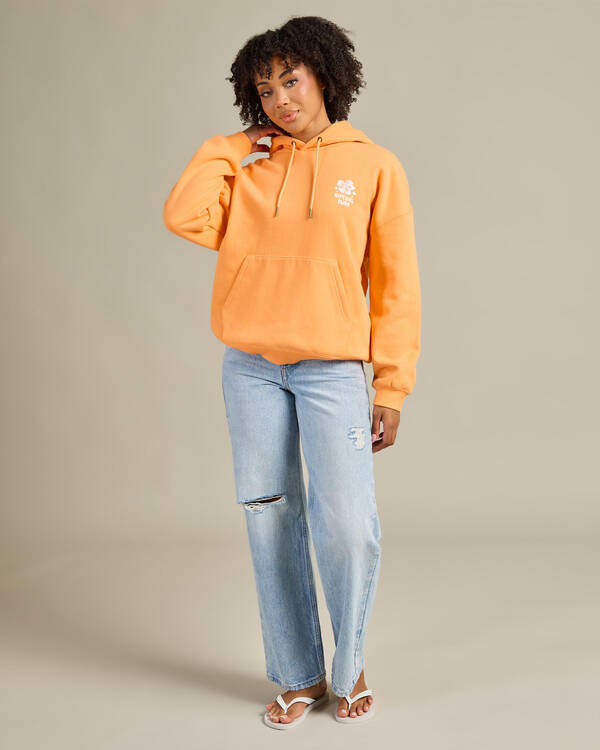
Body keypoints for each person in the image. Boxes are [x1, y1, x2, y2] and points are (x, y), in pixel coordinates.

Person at [163, 15, 421, 729]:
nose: (279, 99)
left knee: (348, 525)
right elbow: (182, 215)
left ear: (325, 77)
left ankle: (350, 663)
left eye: (291, 80)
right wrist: (228, 147)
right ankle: (298, 673)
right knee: (270, 522)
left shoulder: (374, 166)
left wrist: (392, 385)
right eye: (264, 89)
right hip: (250, 368)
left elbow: (396, 287)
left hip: (331, 370)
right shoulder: (248, 166)